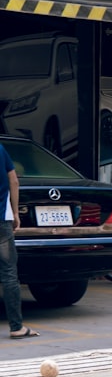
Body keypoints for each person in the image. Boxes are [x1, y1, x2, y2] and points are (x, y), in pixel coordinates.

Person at [1, 142, 37, 339]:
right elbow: (13, 181)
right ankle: (16, 327)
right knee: (8, 274)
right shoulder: (0, 149)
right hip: (1, 221)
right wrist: (15, 213)